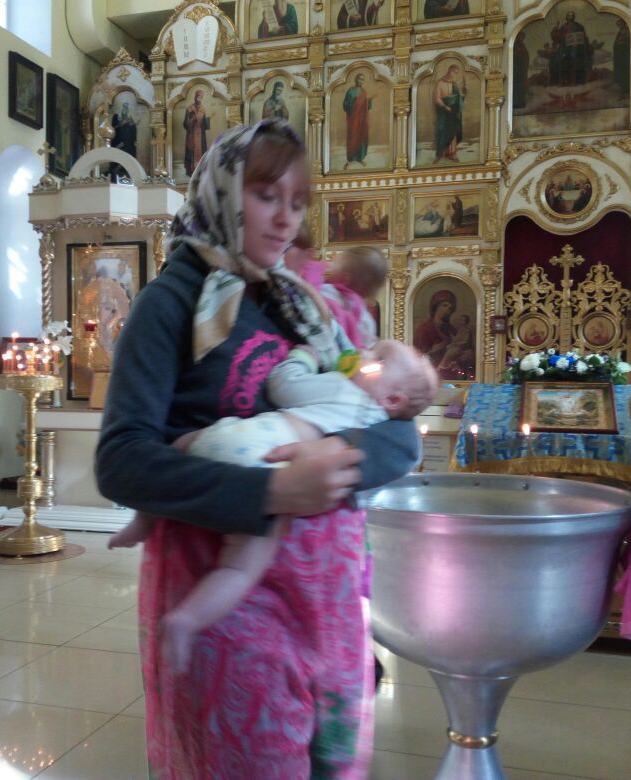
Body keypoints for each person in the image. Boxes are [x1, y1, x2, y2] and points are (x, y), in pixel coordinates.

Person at [95, 120, 419, 778]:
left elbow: (396, 428)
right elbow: (122, 459)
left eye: (296, 203)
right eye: (266, 196)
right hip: (225, 593)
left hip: (325, 601)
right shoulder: (171, 303)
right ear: (222, 191)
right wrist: (271, 490)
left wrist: (337, 463)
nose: (285, 219)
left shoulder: (303, 306)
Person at [109, 339, 437, 673]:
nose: (362, 353)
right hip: (262, 459)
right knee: (241, 566)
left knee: (179, 447)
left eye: (377, 359)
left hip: (235, 436)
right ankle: (186, 619)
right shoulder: (375, 419)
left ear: (392, 399)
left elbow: (283, 386)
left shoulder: (341, 387)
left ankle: (143, 520)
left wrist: (302, 357)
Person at [322, 246, 388, 349]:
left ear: (345, 278)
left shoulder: (327, 291)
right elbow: (365, 347)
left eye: (334, 263)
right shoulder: (367, 320)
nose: (329, 265)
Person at [548, 11, 593, 87]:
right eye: (569, 16)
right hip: (565, 48)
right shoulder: (563, 27)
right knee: (555, 60)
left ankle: (579, 81)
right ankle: (562, 82)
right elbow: (557, 38)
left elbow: (584, 38)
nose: (570, 17)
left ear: (574, 17)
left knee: (578, 59)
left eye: (572, 16)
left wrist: (585, 46)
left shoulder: (579, 26)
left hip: (578, 48)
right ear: (566, 17)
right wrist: (555, 29)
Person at [433, 64, 466, 162]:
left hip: (453, 111)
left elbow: (459, 98)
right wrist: (445, 106)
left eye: (456, 73)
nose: (454, 75)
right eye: (454, 72)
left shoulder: (454, 84)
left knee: (454, 131)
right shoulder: (440, 83)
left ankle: (452, 153)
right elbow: (437, 98)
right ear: (449, 71)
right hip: (443, 111)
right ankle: (441, 153)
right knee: (442, 131)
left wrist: (464, 94)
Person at [343, 72, 373, 169]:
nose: (361, 81)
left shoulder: (364, 92)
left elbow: (367, 107)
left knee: (361, 137)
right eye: (359, 79)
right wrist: (354, 102)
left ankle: (360, 158)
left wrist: (369, 101)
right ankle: (350, 159)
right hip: (353, 120)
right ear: (356, 79)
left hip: (362, 120)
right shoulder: (350, 91)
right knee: (352, 137)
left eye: (362, 79)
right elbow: (345, 105)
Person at [183, 90, 211, 176]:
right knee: (191, 151)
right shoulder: (189, 109)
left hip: (200, 135)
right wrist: (192, 120)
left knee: (201, 151)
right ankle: (191, 171)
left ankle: (201, 171)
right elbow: (185, 124)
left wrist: (207, 121)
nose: (199, 98)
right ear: (195, 97)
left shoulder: (203, 110)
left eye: (201, 97)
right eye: (198, 96)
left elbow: (206, 126)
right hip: (191, 134)